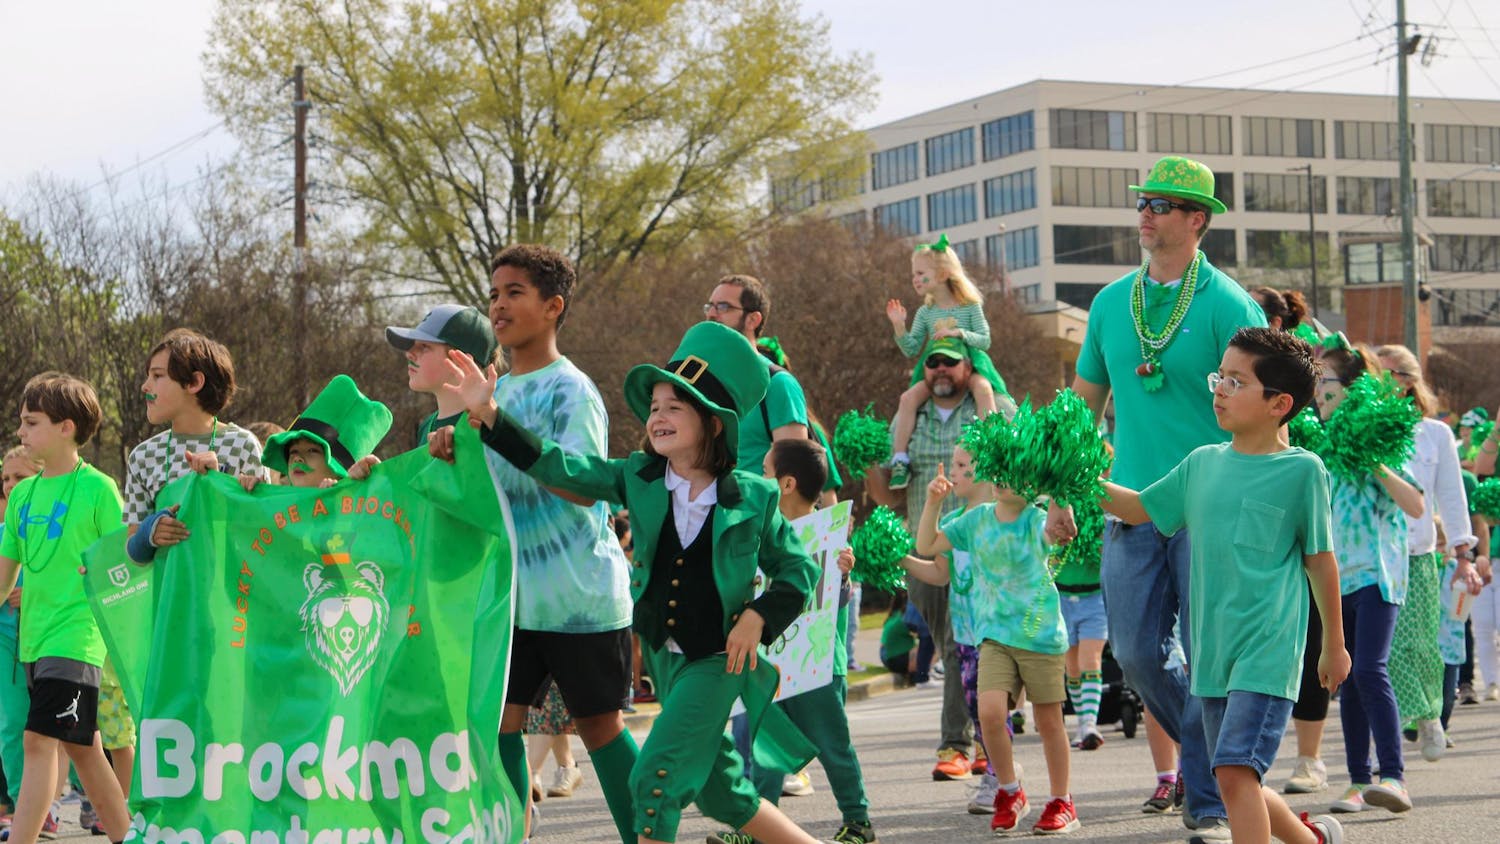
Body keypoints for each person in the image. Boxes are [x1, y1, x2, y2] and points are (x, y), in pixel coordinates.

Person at [437, 319, 822, 844]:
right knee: (722, 794)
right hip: (667, 660)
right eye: (655, 406)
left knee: (652, 781)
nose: (657, 416)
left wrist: (759, 616)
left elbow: (800, 569)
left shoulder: (753, 496)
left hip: (719, 661)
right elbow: (560, 465)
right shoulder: (637, 478)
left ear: (711, 423)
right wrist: (493, 417)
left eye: (675, 407)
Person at [1053, 155, 1266, 843]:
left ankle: (1207, 804)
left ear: (1197, 220)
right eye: (1143, 201)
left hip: (1211, 509)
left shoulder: (1231, 306)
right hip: (1129, 506)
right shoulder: (1112, 303)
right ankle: (1216, 767)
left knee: (1208, 657)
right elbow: (1081, 411)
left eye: (1163, 204)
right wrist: (1062, 495)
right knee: (1139, 656)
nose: (1146, 213)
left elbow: (1268, 416)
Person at [1099, 326, 1349, 844]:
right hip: (1211, 655)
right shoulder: (1202, 464)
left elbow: (1321, 562)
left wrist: (1334, 646)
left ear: (1279, 403)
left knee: (1236, 773)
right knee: (1234, 776)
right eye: (1220, 377)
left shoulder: (1303, 471)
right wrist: (1070, 476)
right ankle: (1314, 840)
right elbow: (1137, 508)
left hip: (1267, 651)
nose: (1219, 390)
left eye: (1236, 382)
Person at [863, 337, 1014, 782]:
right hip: (927, 547)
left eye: (950, 362)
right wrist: (869, 460)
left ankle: (960, 743)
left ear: (969, 365)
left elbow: (1018, 469)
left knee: (968, 643)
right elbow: (885, 493)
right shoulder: (909, 416)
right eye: (932, 363)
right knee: (954, 645)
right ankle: (985, 738)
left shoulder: (996, 406)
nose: (940, 370)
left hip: (984, 547)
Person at [914, 457, 1076, 834]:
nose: (1003, 478)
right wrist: (933, 502)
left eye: (1016, 472)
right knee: (989, 714)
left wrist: (1061, 492)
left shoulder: (1037, 520)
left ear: (1034, 481)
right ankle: (1010, 791)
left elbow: (1065, 531)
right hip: (994, 637)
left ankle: (1061, 801)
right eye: (999, 470)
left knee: (1049, 721)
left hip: (1039, 635)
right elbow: (927, 544)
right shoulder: (977, 519)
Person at [0, 373, 130, 842]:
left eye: (31, 422)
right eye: (20, 423)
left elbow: (123, 564)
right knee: (83, 748)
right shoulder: (21, 497)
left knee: (37, 741)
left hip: (78, 636)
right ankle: (128, 835)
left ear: (66, 427)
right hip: (33, 639)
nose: (20, 433)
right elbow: (4, 577)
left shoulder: (99, 489)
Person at [727, 437, 875, 844]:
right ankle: (756, 830)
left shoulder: (828, 538)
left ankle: (858, 821)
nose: (759, 478)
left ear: (787, 484)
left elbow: (834, 603)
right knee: (767, 748)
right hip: (773, 662)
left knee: (832, 744)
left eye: (765, 472)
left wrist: (842, 575)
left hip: (819, 663)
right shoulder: (761, 534)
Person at [1312, 343, 1425, 816]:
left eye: (1326, 384)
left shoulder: (1377, 435)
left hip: (1379, 575)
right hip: (1337, 578)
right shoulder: (1320, 444)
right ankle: (1359, 780)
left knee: (1369, 669)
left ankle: (1395, 777)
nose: (1318, 393)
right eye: (1314, 384)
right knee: (1348, 680)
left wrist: (1373, 461)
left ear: (1352, 388)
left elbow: (1416, 505)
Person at [1375, 344, 1483, 762]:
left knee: (1421, 643)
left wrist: (1463, 554)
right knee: (1384, 648)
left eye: (1390, 377)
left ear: (1408, 382)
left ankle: (1429, 716)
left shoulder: (1434, 433)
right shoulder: (1368, 430)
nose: (1381, 386)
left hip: (1420, 553)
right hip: (1376, 555)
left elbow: (1452, 497)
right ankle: (1402, 717)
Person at [894, 445, 1002, 814]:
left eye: (961, 465)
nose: (952, 471)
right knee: (977, 705)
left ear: (985, 470)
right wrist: (901, 558)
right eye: (952, 465)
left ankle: (1000, 778)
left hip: (1002, 634)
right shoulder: (956, 521)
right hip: (967, 635)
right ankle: (996, 767)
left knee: (996, 705)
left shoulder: (1005, 518)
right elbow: (940, 573)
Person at [123, 329, 264, 553]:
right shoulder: (143, 456)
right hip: (169, 588)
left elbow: (263, 533)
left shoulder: (242, 446)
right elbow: (132, 549)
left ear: (194, 382)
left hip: (229, 587)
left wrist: (217, 484)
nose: (145, 386)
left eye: (157, 376)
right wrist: (150, 533)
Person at [884, 234, 1004, 489]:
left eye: (920, 273)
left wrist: (958, 333)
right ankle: (900, 459)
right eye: (913, 274)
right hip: (934, 366)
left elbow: (985, 340)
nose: (915, 279)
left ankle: (993, 447)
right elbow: (912, 348)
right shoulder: (925, 313)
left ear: (942, 274)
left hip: (969, 364)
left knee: (983, 389)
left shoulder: (970, 307)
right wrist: (899, 327)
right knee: (907, 399)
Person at [702, 275, 809, 469]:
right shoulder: (698, 381)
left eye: (724, 307)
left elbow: (794, 473)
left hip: (756, 500)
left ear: (753, 319)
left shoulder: (777, 384)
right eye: (709, 306)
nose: (711, 314)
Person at [385, 303, 498, 445]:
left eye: (424, 347)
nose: (409, 354)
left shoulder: (487, 425)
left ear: (460, 359)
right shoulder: (426, 426)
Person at [0, 447, 41, 827]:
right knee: (13, 726)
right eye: (6, 479)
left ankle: (79, 796)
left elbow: (81, 573)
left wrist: (33, 594)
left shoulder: (53, 525)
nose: (11, 487)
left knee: (66, 732)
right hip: (8, 644)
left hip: (53, 639)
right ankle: (20, 808)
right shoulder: (2, 533)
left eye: (20, 478)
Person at [880, 592, 917, 682]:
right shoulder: (904, 618)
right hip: (895, 659)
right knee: (931, 643)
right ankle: (922, 674)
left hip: (885, 657)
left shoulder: (893, 615)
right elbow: (923, 634)